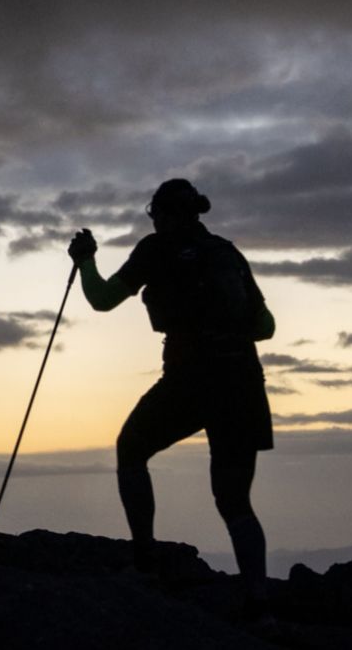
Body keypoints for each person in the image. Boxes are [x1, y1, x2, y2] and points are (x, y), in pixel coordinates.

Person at [67, 178, 275, 617]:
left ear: (163, 214)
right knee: (235, 500)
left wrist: (85, 261)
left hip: (190, 378)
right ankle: (259, 601)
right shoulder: (227, 253)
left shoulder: (156, 249)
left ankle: (145, 560)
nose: (155, 222)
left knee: (131, 449)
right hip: (242, 380)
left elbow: (102, 300)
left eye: (155, 214)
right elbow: (265, 327)